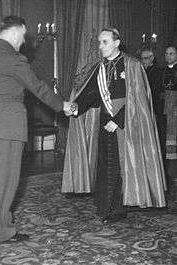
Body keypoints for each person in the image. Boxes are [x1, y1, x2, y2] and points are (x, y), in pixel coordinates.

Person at [0, 15, 72, 243]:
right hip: (6, 127)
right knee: (5, 181)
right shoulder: (13, 58)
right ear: (16, 32)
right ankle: (0, 233)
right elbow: (38, 87)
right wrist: (61, 105)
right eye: (23, 36)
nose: (23, 42)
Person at [63, 28, 166, 223]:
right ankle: (107, 207)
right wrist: (75, 108)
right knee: (106, 165)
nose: (100, 46)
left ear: (117, 43)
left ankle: (118, 209)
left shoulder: (132, 65)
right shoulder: (98, 68)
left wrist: (118, 120)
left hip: (127, 122)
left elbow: (139, 100)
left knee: (122, 165)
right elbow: (91, 95)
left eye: (105, 42)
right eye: (100, 42)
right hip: (104, 121)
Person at [140, 48, 166, 161]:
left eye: (145, 58)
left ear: (152, 58)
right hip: (142, 110)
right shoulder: (140, 72)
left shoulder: (159, 72)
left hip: (155, 110)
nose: (143, 61)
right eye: (141, 59)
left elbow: (158, 93)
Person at [162, 45, 177, 212]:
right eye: (166, 53)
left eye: (172, 53)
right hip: (165, 113)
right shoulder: (162, 71)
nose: (168, 55)